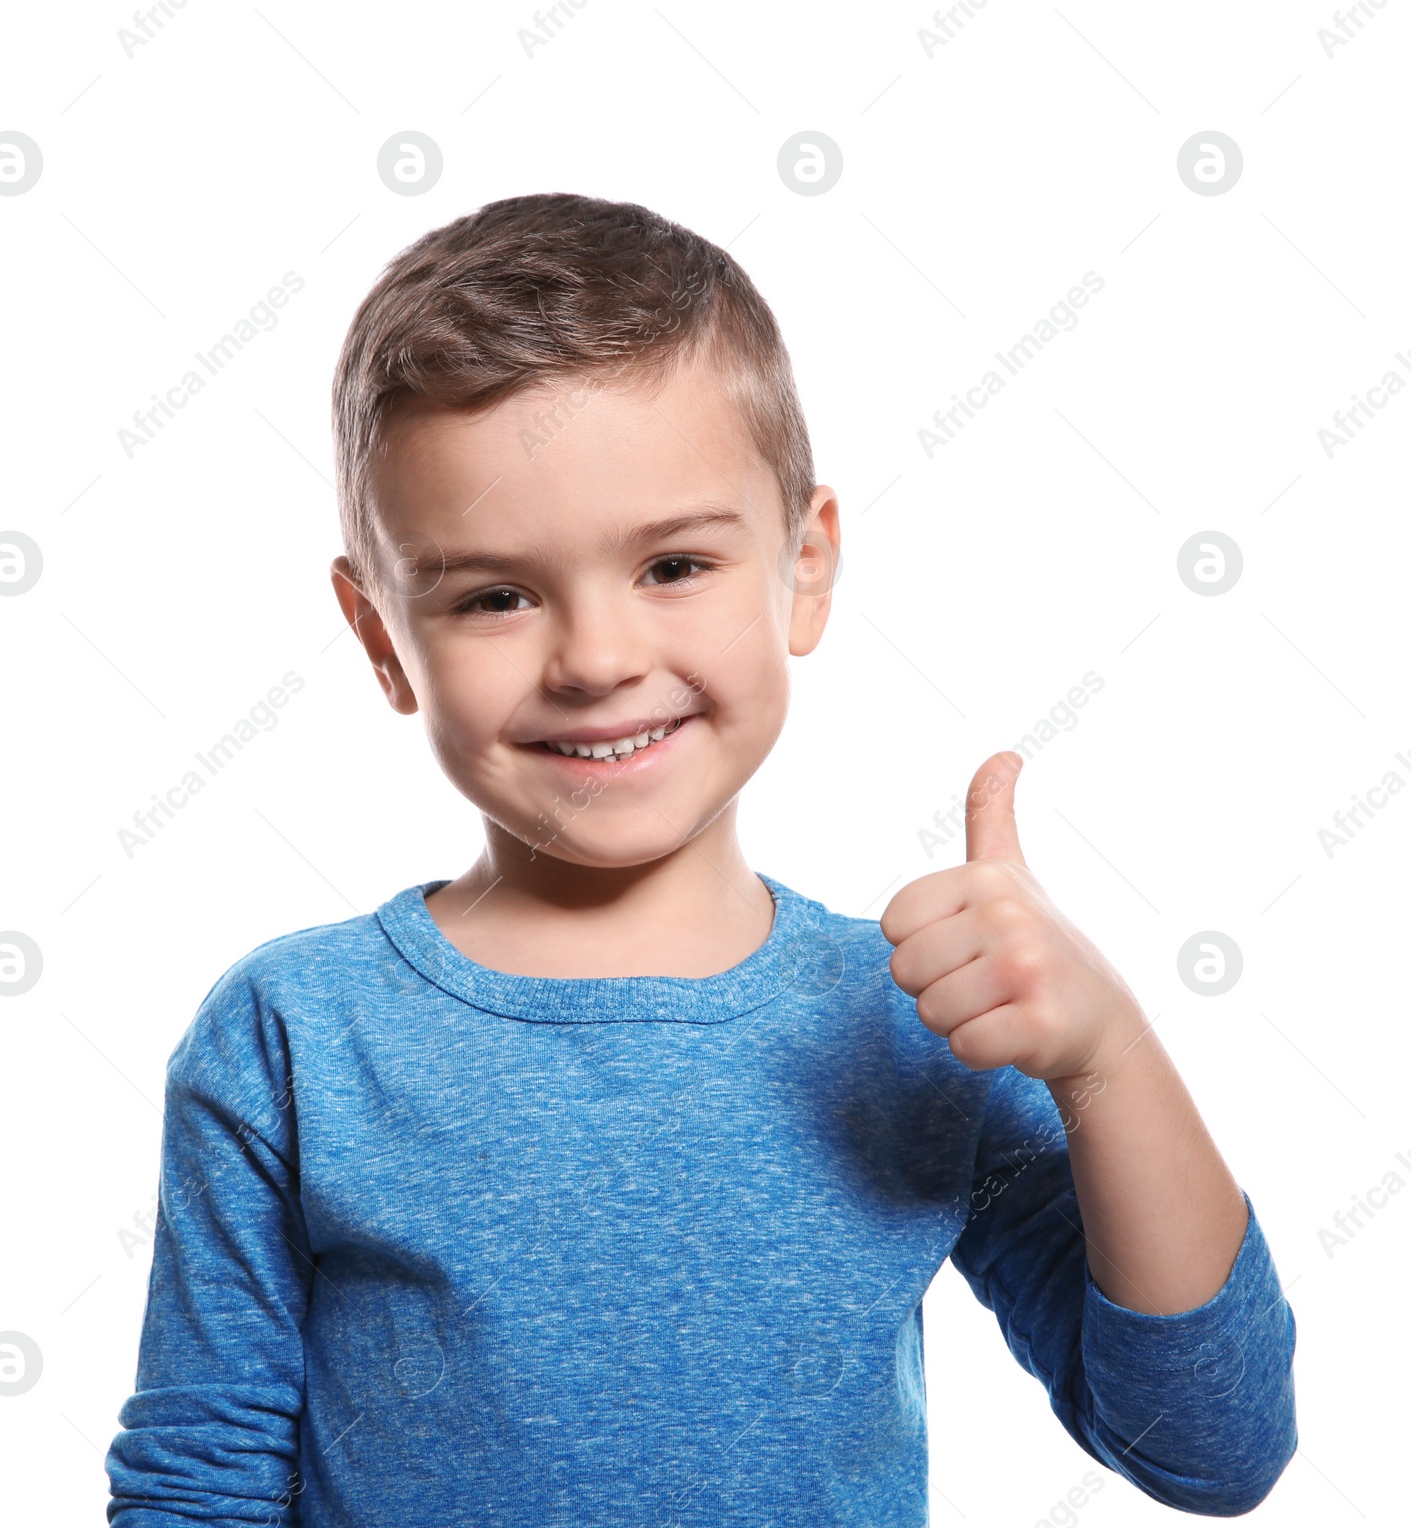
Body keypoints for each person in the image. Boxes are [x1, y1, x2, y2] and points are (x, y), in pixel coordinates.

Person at [105, 192, 1296, 1525]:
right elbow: (196, 1486)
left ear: (804, 565)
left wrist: (1106, 1056)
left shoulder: (913, 1026)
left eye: (672, 564)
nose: (598, 659)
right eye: (495, 594)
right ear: (380, 634)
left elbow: (1212, 1446)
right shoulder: (292, 1037)